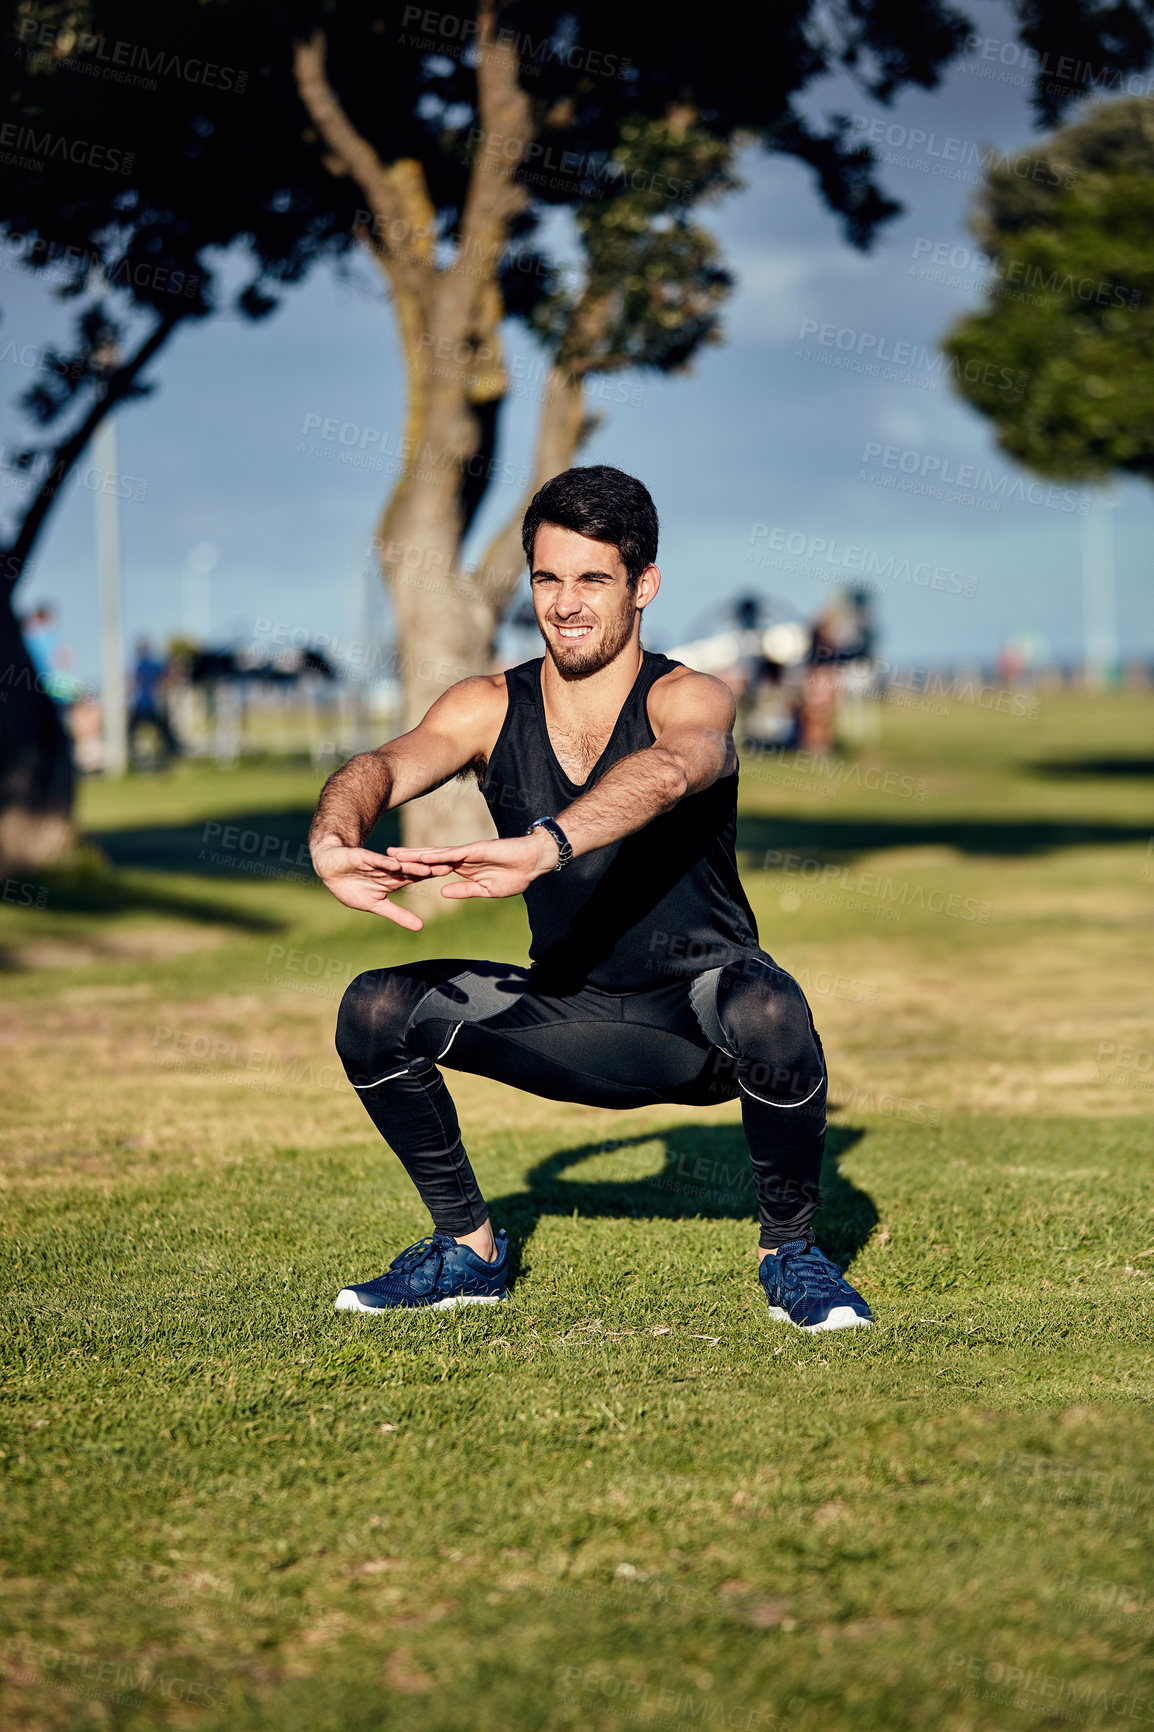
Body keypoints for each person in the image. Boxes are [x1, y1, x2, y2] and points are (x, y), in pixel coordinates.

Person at [310, 466, 872, 1333]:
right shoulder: (489, 705)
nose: (566, 604)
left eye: (592, 579)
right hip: (566, 1011)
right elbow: (382, 766)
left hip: (702, 1022)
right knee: (373, 1006)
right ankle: (468, 1252)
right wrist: (334, 838)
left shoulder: (689, 697)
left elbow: (675, 767)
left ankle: (791, 1254)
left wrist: (547, 844)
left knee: (772, 1003)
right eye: (547, 578)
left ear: (643, 585)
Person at [128, 637, 180, 764]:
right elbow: (167, 678)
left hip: (148, 705)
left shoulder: (145, 665)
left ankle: (167, 756)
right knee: (164, 733)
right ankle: (169, 756)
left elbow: (135, 683)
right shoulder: (149, 665)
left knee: (134, 732)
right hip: (146, 705)